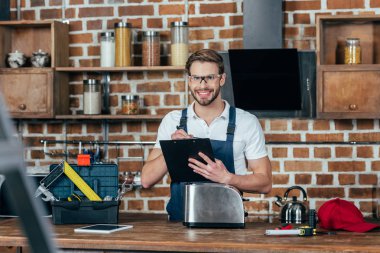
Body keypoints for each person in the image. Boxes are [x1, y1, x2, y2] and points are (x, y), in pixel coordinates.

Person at [141, 49, 272, 221]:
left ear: (222, 79)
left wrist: (227, 178)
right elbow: (146, 180)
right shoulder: (172, 121)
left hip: (229, 225)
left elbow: (265, 183)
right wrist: (174, 148)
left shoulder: (246, 122)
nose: (202, 86)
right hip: (179, 227)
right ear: (189, 81)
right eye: (196, 78)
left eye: (210, 77)